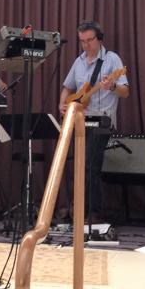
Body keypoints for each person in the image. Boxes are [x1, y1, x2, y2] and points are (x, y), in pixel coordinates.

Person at [58, 21, 129, 224]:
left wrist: (113, 85)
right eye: (82, 41)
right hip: (80, 120)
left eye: (90, 40)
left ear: (99, 39)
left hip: (102, 122)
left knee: (90, 165)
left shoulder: (112, 60)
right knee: (79, 166)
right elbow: (67, 87)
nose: (86, 45)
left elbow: (125, 92)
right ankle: (80, 211)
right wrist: (62, 103)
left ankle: (94, 213)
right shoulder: (78, 62)